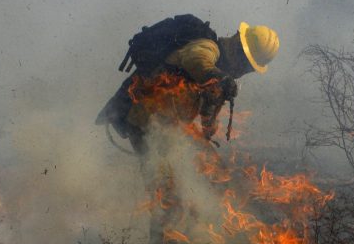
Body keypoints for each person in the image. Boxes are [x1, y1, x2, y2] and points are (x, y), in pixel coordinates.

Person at [97, 20, 279, 154]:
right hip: (146, 115)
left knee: (176, 172)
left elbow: (209, 107)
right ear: (239, 50)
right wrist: (221, 78)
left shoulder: (219, 75)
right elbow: (197, 60)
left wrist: (208, 130)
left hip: (164, 123)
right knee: (162, 176)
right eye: (247, 65)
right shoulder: (208, 47)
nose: (244, 71)